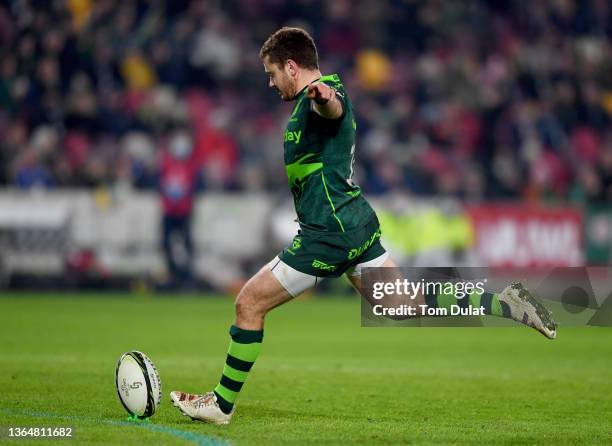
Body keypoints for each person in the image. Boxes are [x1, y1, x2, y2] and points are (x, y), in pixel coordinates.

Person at [170, 27, 556, 425]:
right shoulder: (304, 103)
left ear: (291, 66)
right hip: (351, 224)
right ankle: (505, 301)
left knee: (248, 303)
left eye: (272, 74)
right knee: (404, 304)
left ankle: (221, 404)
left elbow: (333, 109)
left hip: (328, 234)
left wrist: (324, 98)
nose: (270, 83)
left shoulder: (324, 93)